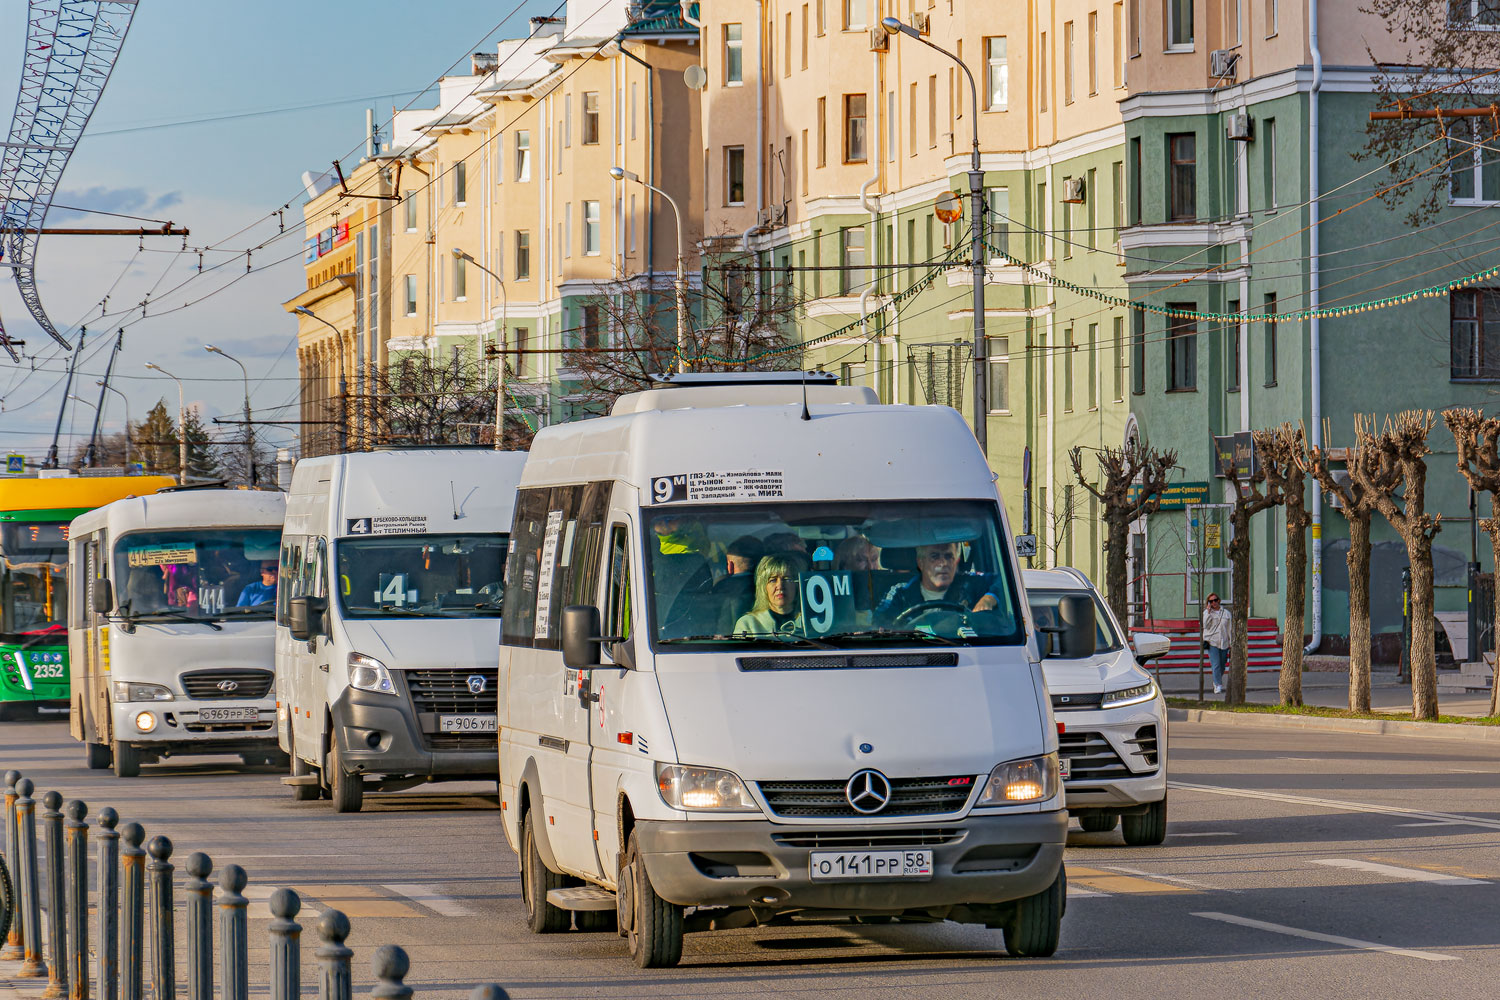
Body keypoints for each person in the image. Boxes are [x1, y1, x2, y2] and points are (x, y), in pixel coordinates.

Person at [875, 542, 999, 626]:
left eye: (949, 556)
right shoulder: (900, 593)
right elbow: (879, 623)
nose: (943, 563)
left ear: (956, 561)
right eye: (935, 556)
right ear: (921, 562)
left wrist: (990, 598)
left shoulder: (971, 583)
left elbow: (1004, 581)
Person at [733, 553, 806, 634]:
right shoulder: (748, 624)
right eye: (773, 580)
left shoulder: (810, 622)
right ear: (763, 587)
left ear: (797, 585)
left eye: (787, 579)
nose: (780, 586)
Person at [1201, 592, 1232, 694]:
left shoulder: (1226, 613)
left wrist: (1231, 642)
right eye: (1211, 601)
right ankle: (1218, 684)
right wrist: (1209, 613)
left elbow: (1229, 628)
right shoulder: (1206, 613)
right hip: (1212, 642)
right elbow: (1205, 625)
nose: (1214, 602)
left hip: (1224, 642)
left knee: (1222, 664)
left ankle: (1216, 679)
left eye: (1215, 600)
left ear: (1219, 600)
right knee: (1216, 665)